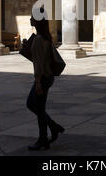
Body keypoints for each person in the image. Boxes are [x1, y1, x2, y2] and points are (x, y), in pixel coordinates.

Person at [26, 8, 65, 151]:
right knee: (33, 105)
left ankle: (43, 139)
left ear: (37, 20)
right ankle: (54, 127)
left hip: (42, 78)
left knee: (37, 108)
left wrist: (37, 83)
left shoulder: (38, 40)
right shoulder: (46, 38)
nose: (30, 19)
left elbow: (39, 65)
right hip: (49, 77)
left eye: (32, 17)